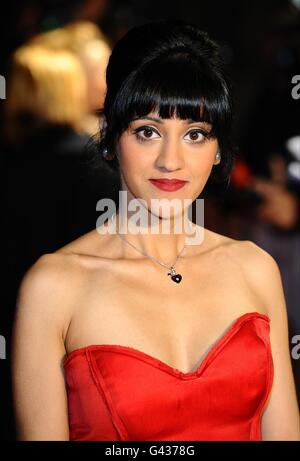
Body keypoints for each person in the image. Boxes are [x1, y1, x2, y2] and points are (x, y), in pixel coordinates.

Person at [11, 20, 300, 441]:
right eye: (147, 132)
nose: (171, 160)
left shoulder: (254, 269)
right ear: (110, 136)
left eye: (195, 134)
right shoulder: (54, 286)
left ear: (218, 150)